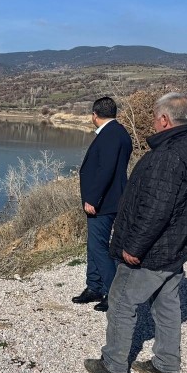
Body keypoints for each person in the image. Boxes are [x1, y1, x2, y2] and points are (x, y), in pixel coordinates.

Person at [84, 93, 187, 373]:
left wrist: (134, 247)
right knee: (167, 303)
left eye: (154, 118)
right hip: (179, 245)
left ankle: (114, 365)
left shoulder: (168, 155)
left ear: (164, 119)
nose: (153, 123)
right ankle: (167, 364)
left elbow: (155, 209)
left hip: (153, 248)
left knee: (121, 301)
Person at [73, 97, 133, 312]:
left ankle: (112, 292)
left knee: (98, 247)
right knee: (94, 245)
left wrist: (93, 198)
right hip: (111, 198)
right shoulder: (120, 132)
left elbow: (106, 169)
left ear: (94, 115)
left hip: (104, 202)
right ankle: (94, 286)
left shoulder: (110, 135)